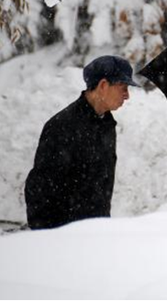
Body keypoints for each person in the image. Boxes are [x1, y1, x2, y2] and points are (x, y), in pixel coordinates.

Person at [24, 55, 137, 229]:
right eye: (123, 87)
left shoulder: (106, 124)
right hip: (65, 237)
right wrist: (47, 237)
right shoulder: (62, 126)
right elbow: (40, 190)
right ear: (103, 86)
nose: (127, 96)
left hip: (94, 232)